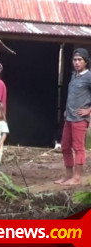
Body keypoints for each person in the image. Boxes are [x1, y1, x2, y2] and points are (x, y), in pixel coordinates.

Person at [55, 48, 91, 186]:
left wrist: (88, 110)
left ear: (86, 62)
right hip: (69, 117)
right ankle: (68, 175)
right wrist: (65, 110)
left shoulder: (89, 77)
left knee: (78, 148)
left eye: (79, 60)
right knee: (64, 146)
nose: (76, 62)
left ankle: (77, 177)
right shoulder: (73, 75)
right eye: (75, 60)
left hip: (80, 119)